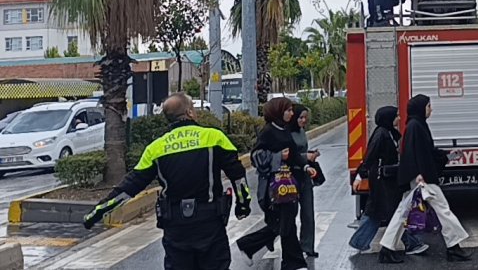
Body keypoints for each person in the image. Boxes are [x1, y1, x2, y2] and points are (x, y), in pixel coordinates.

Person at [83, 93, 252, 270]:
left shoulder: (156, 148)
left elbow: (130, 186)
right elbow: (237, 175)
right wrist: (243, 204)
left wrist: (99, 210)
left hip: (176, 227)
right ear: (190, 112)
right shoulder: (214, 137)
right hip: (209, 223)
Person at [379, 95, 471, 264]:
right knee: (443, 210)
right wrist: (420, 175)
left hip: (418, 177)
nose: (431, 109)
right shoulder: (416, 126)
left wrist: (445, 155)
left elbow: (425, 150)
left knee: (403, 212)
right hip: (422, 179)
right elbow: (415, 153)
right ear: (421, 108)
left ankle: (386, 248)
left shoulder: (416, 125)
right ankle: (453, 247)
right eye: (429, 106)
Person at [237, 98, 317, 270]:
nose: (291, 114)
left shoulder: (285, 129)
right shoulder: (268, 131)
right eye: (287, 110)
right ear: (277, 112)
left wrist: (305, 167)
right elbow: (256, 156)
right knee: (284, 222)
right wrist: (279, 156)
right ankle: (289, 261)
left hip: (288, 182)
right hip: (274, 187)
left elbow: (294, 153)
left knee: (285, 222)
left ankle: (286, 261)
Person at [349, 106, 427, 255]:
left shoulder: (389, 133)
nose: (398, 118)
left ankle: (360, 241)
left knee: (381, 211)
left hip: (387, 179)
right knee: (392, 211)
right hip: (381, 180)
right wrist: (360, 176)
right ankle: (411, 243)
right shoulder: (381, 135)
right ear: (388, 118)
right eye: (396, 116)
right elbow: (369, 158)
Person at [289, 104, 319, 258]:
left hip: (305, 175)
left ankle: (308, 245)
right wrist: (305, 157)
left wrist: (310, 155)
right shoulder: (285, 134)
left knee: (308, 212)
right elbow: (289, 156)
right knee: (288, 215)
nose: (303, 120)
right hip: (290, 177)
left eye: (305, 117)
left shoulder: (302, 132)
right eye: (300, 117)